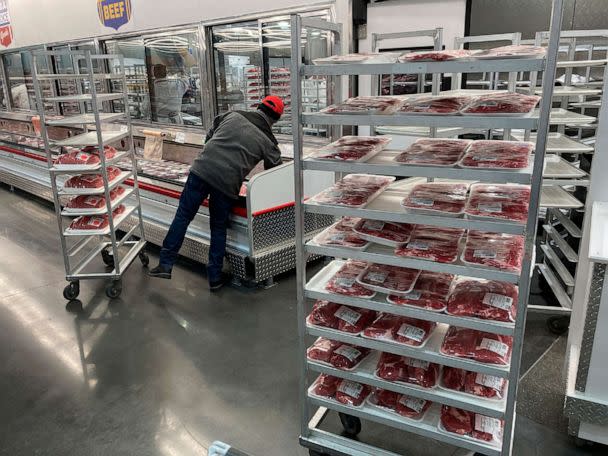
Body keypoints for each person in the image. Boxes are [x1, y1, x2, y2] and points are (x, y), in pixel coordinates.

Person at [148, 96, 284, 291]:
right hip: (227, 184)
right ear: (276, 120)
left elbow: (210, 135)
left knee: (183, 216)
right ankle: (215, 278)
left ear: (258, 106)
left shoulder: (232, 115)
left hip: (201, 171)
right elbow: (274, 171)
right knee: (218, 228)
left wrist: (212, 154)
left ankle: (165, 264)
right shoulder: (269, 141)